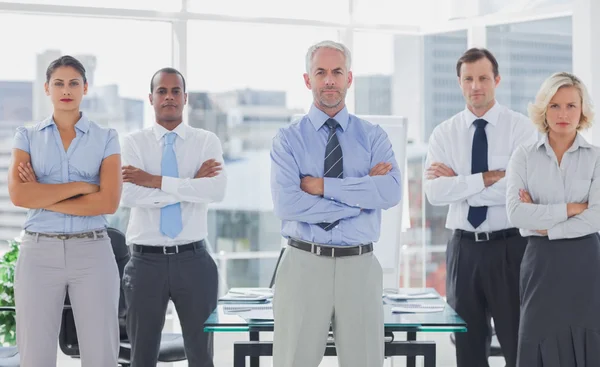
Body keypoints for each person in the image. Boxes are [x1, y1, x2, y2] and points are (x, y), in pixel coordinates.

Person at [270, 40, 402, 367]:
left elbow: (390, 192)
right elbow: (288, 204)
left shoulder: (374, 136)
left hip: (359, 266)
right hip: (303, 263)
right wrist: (358, 201)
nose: (329, 80)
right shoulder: (288, 139)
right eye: (321, 72)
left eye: (337, 72)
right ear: (308, 80)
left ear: (349, 78)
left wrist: (320, 186)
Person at [423, 47, 538, 367]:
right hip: (463, 251)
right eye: (468, 79)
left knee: (518, 343)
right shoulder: (443, 134)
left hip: (510, 247)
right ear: (459, 83)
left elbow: (522, 190)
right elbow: (434, 192)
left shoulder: (520, 129)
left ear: (496, 80)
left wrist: (460, 183)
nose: (476, 86)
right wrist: (488, 178)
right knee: (468, 348)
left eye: (483, 78)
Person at [8, 55, 122, 366]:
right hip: (38, 252)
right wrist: (83, 186)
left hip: (93, 251)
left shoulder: (106, 137)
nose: (66, 89)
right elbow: (19, 195)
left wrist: (41, 194)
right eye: (58, 83)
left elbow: (108, 202)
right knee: (35, 356)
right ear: (47, 88)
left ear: (85, 87)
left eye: (73, 83)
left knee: (101, 355)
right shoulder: (26, 136)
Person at [120, 67, 226, 367]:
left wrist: (154, 180)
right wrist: (190, 184)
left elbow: (215, 191)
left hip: (194, 262)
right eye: (162, 91)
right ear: (151, 98)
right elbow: (129, 196)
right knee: (141, 358)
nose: (169, 97)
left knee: (202, 357)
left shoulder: (206, 141)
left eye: (175, 91)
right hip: (145, 264)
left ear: (185, 97)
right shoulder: (133, 143)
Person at [506, 72, 600, 366]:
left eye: (571, 105)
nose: (563, 114)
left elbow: (595, 218)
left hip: (586, 263)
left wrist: (545, 226)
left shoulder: (596, 157)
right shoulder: (524, 155)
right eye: (555, 105)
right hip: (541, 264)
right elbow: (516, 213)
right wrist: (570, 208)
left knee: (587, 340)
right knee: (537, 335)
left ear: (582, 109)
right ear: (543, 109)